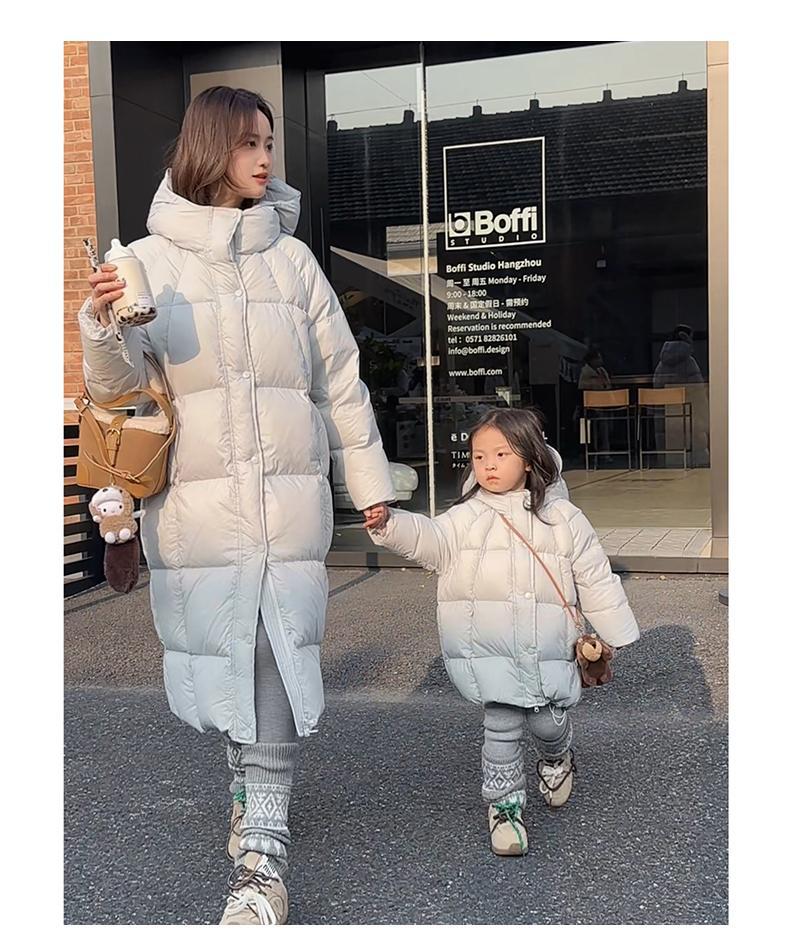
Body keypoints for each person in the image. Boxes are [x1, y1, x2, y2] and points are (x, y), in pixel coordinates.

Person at [78, 86, 394, 925]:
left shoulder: (293, 262)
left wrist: (369, 484)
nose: (265, 159)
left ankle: (263, 859)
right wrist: (102, 325)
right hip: (198, 509)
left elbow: (340, 381)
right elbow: (118, 391)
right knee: (232, 657)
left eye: (269, 143)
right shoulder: (148, 260)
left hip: (287, 504)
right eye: (250, 143)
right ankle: (248, 783)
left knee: (273, 655)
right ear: (210, 148)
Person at [364, 407, 639, 856]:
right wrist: (391, 523)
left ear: (529, 458)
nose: (488, 465)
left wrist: (615, 630)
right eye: (479, 456)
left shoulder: (563, 518)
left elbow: (594, 575)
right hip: (491, 650)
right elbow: (430, 539)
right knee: (502, 727)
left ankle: (557, 756)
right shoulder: (465, 517)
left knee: (548, 722)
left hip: (548, 648)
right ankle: (505, 807)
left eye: (501, 454)